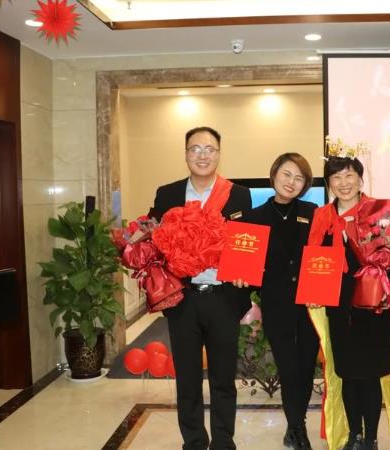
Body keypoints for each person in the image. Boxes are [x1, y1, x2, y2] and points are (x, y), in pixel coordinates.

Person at [306, 154, 390, 450]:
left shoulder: (379, 212)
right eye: (336, 177)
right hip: (338, 307)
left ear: (360, 179)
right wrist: (313, 291)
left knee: (370, 375)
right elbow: (315, 259)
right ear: (329, 183)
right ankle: (353, 435)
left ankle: (370, 437)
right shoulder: (322, 216)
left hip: (374, 308)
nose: (343, 183)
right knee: (347, 374)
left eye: (349, 175)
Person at [150, 126, 252, 450]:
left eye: (210, 149)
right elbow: (153, 240)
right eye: (196, 149)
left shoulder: (238, 194)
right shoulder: (167, 194)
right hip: (183, 300)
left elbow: (248, 241)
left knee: (223, 378)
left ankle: (223, 441)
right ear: (185, 154)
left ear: (219, 154)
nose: (203, 155)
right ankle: (194, 442)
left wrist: (245, 275)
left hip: (224, 298)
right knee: (188, 380)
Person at [235, 153, 319, 450]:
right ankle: (297, 428)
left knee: (306, 367)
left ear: (305, 184)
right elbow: (245, 266)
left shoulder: (313, 212)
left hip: (310, 304)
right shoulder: (253, 218)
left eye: (299, 178)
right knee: (288, 367)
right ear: (274, 175)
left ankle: (296, 426)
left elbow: (324, 255)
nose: (291, 182)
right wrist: (241, 277)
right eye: (286, 174)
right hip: (276, 303)